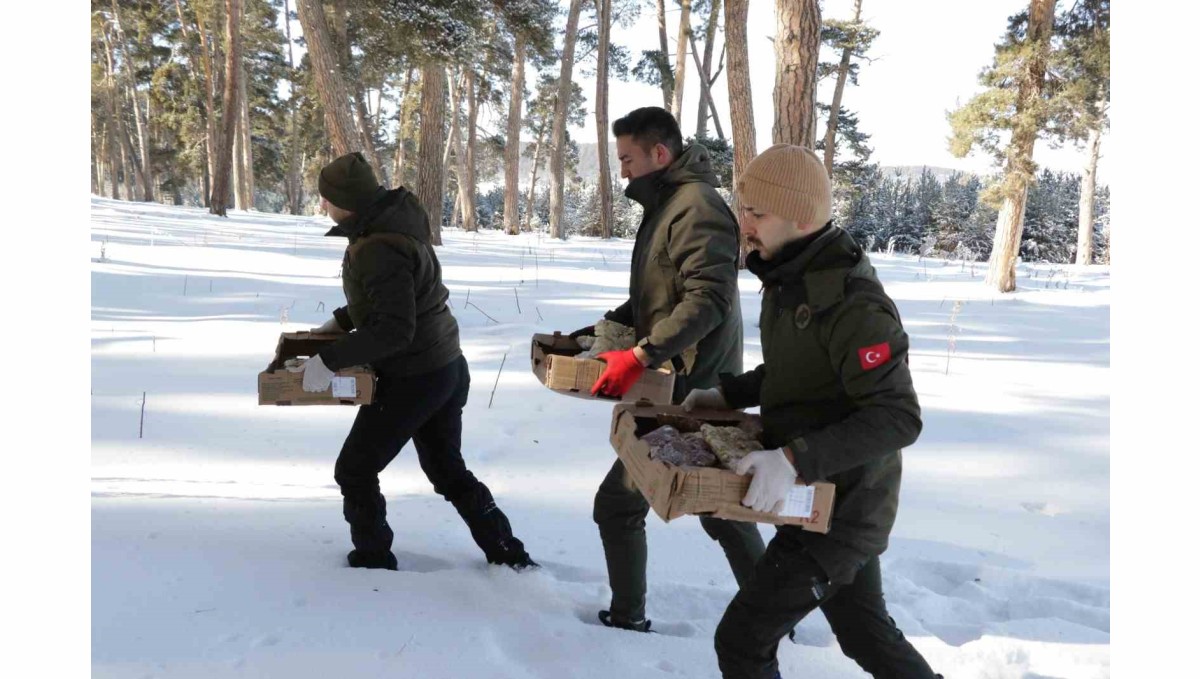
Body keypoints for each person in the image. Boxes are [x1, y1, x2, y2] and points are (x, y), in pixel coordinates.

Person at [683, 144, 939, 678]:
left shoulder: (853, 304)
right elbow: (800, 370)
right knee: (865, 634)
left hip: (844, 509)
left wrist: (792, 460)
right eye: (744, 208)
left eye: (757, 212)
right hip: (813, 495)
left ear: (801, 216)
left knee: (743, 640)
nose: (743, 223)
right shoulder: (787, 275)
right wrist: (731, 395)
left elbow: (897, 416)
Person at [289, 152, 537, 572]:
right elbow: (405, 298)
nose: (323, 206)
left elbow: (393, 329)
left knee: (354, 470)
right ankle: (508, 554)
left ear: (345, 201)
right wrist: (343, 319)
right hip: (444, 366)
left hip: (414, 376)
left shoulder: (377, 245)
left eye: (326, 198)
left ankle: (372, 560)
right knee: (447, 470)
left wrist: (327, 361)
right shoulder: (393, 224)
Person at [573, 106, 766, 632]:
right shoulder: (669, 204)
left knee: (623, 504)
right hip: (674, 378)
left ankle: (629, 618)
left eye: (629, 159)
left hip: (695, 386)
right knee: (717, 508)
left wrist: (639, 355)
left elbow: (707, 302)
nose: (624, 171)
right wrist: (605, 329)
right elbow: (662, 292)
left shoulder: (695, 206)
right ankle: (774, 612)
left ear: (661, 153)